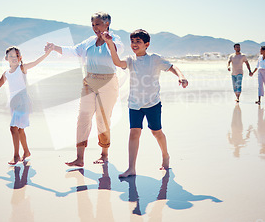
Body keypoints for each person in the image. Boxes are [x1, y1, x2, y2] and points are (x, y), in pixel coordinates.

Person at [102, 29, 188, 178]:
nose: (134, 44)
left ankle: (165, 155)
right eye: (133, 41)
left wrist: (181, 76)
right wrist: (109, 43)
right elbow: (117, 62)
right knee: (134, 133)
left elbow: (172, 66)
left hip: (152, 103)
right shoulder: (130, 60)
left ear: (146, 44)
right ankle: (131, 168)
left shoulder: (154, 59)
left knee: (156, 132)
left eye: (138, 42)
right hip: (134, 104)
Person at [45, 12, 123, 167]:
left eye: (98, 24)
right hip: (89, 82)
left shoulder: (115, 39)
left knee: (103, 119)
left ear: (107, 24)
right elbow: (74, 50)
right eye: (93, 24)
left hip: (108, 83)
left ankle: (104, 154)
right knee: (83, 118)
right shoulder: (89, 41)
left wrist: (109, 41)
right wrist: (54, 47)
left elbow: (117, 50)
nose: (95, 27)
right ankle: (79, 158)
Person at [0, 46, 52, 165]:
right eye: (11, 56)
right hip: (14, 104)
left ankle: (16, 155)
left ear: (20, 58)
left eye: (17, 55)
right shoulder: (6, 74)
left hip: (23, 102)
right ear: (6, 58)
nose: (14, 58)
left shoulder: (22, 68)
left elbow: (36, 62)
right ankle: (26, 151)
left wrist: (47, 53)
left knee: (13, 128)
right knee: (20, 129)